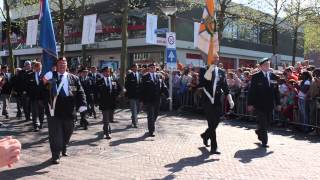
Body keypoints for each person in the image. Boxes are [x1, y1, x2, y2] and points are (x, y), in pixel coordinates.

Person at [43, 57, 87, 164]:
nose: (63, 65)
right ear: (56, 65)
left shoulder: (74, 78)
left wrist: (82, 104)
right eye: (60, 63)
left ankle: (64, 145)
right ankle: (55, 155)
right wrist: (47, 85)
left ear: (67, 65)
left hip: (69, 109)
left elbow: (80, 92)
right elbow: (44, 93)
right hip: (54, 110)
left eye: (64, 63)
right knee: (55, 134)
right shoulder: (50, 77)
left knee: (68, 131)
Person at [199, 53, 234, 155]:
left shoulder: (221, 72)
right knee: (211, 123)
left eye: (217, 57)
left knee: (216, 122)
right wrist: (210, 69)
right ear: (210, 58)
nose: (216, 59)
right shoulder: (204, 69)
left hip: (218, 101)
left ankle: (205, 135)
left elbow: (225, 87)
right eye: (214, 57)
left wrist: (230, 99)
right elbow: (202, 83)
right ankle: (214, 147)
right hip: (208, 100)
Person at [248, 57, 281, 148]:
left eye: (268, 65)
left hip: (270, 104)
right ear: (261, 66)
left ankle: (259, 131)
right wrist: (250, 104)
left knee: (268, 122)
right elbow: (252, 91)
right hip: (259, 104)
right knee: (263, 122)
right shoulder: (256, 76)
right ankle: (264, 141)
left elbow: (276, 91)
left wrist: (278, 103)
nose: (267, 66)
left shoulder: (273, 76)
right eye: (265, 65)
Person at [141, 63, 168, 137]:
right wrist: (142, 100)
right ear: (149, 68)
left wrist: (167, 95)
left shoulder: (159, 76)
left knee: (155, 114)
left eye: (154, 67)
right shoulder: (145, 77)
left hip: (157, 99)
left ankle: (151, 124)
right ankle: (151, 131)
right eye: (151, 67)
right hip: (149, 99)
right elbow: (142, 89)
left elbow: (163, 85)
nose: (153, 68)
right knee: (150, 115)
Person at [97, 66, 122, 139]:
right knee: (106, 118)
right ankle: (107, 133)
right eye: (106, 72)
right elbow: (96, 91)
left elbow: (119, 89)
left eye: (109, 72)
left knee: (110, 118)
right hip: (104, 102)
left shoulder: (114, 80)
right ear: (103, 72)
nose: (107, 73)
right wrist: (97, 100)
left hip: (112, 102)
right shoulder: (99, 81)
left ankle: (106, 128)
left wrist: (118, 96)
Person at [27, 62, 46, 132]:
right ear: (34, 68)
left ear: (41, 67)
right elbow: (28, 86)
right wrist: (29, 95)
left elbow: (47, 86)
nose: (37, 68)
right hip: (33, 97)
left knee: (41, 111)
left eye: (39, 66)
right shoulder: (30, 75)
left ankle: (41, 123)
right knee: (34, 112)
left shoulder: (44, 75)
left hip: (42, 97)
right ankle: (36, 125)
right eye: (36, 67)